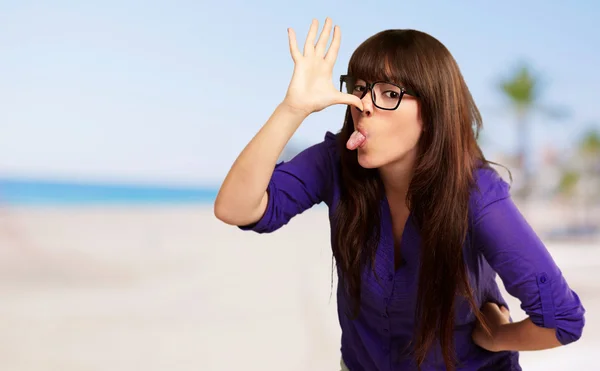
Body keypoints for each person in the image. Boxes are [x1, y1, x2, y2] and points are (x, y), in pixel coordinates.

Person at [213, 18, 585, 371]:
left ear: (433, 111)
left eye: (389, 93)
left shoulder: (477, 193)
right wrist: (293, 108)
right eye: (359, 88)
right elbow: (236, 207)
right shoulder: (335, 161)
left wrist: (497, 336)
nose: (365, 106)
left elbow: (562, 321)